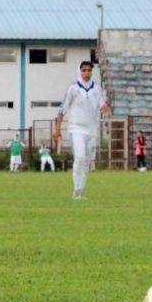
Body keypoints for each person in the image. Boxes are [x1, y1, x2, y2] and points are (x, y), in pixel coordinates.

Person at [54, 61, 109, 200]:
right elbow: (62, 110)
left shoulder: (97, 88)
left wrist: (106, 108)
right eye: (84, 70)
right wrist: (57, 129)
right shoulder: (73, 88)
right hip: (76, 129)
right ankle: (76, 189)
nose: (86, 73)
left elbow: (102, 104)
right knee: (79, 157)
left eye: (89, 70)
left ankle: (81, 190)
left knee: (87, 162)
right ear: (80, 71)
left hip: (91, 130)